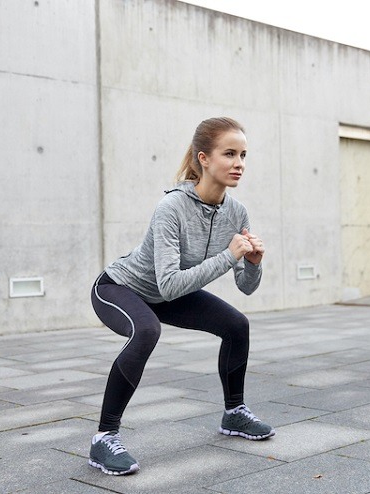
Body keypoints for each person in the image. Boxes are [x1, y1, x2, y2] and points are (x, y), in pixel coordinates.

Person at [88, 117, 275, 475]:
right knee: (146, 331)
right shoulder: (171, 208)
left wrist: (252, 263)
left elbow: (246, 287)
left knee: (237, 325)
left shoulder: (236, 212)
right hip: (119, 288)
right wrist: (228, 256)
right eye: (230, 154)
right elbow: (170, 284)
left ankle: (234, 413)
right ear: (204, 159)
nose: (239, 163)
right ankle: (104, 439)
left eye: (244, 155)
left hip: (167, 292)